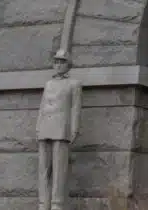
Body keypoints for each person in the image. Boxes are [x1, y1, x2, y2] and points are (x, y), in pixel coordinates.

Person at [37, 52, 83, 210]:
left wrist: (74, 128)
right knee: (43, 169)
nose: (58, 65)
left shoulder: (74, 84)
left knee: (59, 169)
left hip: (61, 129)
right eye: (56, 62)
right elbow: (42, 106)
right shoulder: (48, 83)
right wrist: (38, 127)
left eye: (62, 62)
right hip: (45, 128)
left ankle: (57, 204)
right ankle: (43, 203)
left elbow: (75, 107)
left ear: (68, 64)